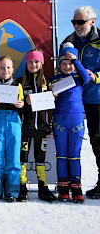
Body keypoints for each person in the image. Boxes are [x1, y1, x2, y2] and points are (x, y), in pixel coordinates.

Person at [62, 6, 100, 199]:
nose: (76, 26)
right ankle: (66, 182)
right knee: (80, 142)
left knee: (98, 140)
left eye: (81, 22)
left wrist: (96, 77)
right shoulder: (68, 41)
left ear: (92, 21)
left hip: (96, 98)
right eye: (73, 22)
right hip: (73, 100)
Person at [49, 44, 90, 203]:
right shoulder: (54, 79)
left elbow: (87, 78)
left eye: (70, 63)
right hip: (60, 119)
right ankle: (63, 188)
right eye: (64, 63)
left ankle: (77, 187)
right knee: (61, 154)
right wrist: (51, 93)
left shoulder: (79, 77)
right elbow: (47, 98)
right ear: (59, 65)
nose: (67, 66)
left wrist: (76, 60)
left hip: (77, 118)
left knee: (75, 154)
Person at [16, 49, 57, 202]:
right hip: (25, 127)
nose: (33, 64)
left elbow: (53, 105)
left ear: (41, 64)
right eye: (30, 61)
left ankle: (43, 187)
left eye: (36, 61)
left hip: (41, 127)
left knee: (41, 158)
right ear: (26, 63)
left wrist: (54, 96)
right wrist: (25, 104)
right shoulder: (20, 82)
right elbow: (16, 105)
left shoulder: (47, 83)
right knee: (23, 158)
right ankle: (22, 187)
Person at [0, 56, 24, 202]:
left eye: (8, 67)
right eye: (2, 67)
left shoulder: (18, 85)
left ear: (13, 70)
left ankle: (12, 191)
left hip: (14, 120)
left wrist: (21, 105)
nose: (5, 70)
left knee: (14, 157)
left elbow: (24, 103)